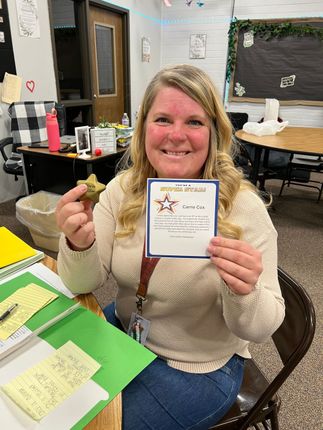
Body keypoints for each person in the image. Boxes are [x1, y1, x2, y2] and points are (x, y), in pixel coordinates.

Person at [56, 64, 285, 429]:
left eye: (194, 122)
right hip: (125, 329)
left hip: (197, 368)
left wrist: (245, 290)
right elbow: (82, 284)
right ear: (144, 126)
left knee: (95, 424)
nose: (176, 135)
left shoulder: (243, 209)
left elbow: (260, 328)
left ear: (214, 131)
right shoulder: (123, 189)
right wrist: (76, 243)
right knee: (55, 394)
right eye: (163, 119)